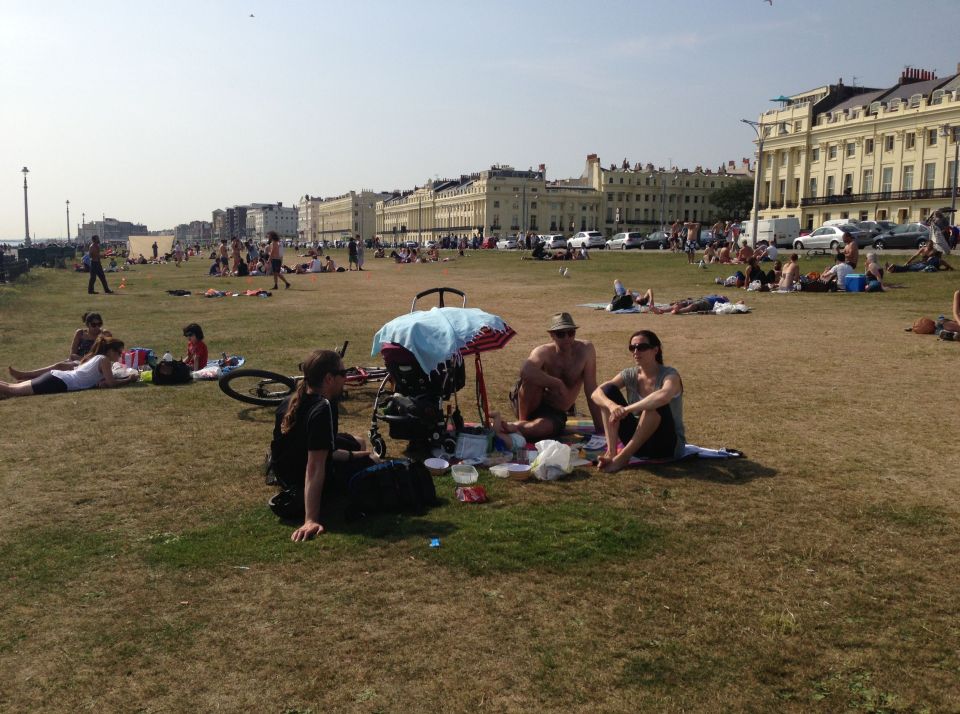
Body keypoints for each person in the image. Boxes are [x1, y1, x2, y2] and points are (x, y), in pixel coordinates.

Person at [277, 350, 378, 541]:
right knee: (373, 461)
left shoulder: (290, 401)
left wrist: (352, 454)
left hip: (286, 471)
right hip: (300, 478)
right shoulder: (324, 407)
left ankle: (360, 454)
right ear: (329, 379)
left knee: (359, 443)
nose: (346, 378)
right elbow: (314, 466)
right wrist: (311, 519)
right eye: (344, 373)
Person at [591, 330, 685, 473]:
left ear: (655, 350)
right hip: (637, 443)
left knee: (653, 405)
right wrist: (612, 406)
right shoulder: (630, 374)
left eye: (641, 347)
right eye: (632, 348)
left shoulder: (670, 375)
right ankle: (611, 453)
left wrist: (626, 410)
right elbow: (596, 393)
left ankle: (623, 458)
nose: (636, 351)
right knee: (607, 393)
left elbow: (663, 397)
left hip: (665, 445)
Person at [505, 313, 602, 441]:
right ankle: (522, 423)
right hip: (530, 403)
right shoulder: (543, 352)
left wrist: (601, 430)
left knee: (538, 429)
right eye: (561, 334)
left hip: (555, 412)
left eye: (571, 333)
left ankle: (508, 428)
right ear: (552, 335)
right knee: (532, 378)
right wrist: (557, 384)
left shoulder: (585, 350)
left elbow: (591, 389)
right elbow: (525, 370)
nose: (567, 338)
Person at [0, 336, 135, 398]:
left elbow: (103, 382)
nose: (120, 355)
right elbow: (111, 383)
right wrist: (130, 378)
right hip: (59, 382)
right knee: (12, 391)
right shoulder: (104, 360)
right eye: (119, 352)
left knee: (11, 387)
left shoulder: (97, 357)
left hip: (56, 377)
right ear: (110, 351)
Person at [8, 312, 106, 380]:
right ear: (87, 324)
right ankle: (26, 377)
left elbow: (105, 355)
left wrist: (80, 358)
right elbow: (72, 354)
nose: (97, 327)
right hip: (76, 361)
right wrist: (76, 358)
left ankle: (25, 376)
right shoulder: (80, 333)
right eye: (94, 325)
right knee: (56, 368)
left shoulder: (104, 335)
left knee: (59, 366)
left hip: (91, 363)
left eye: (99, 324)